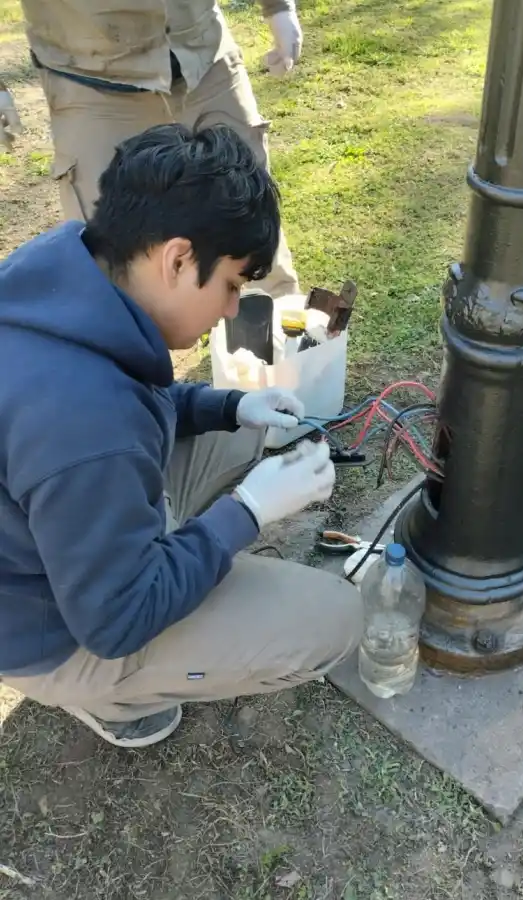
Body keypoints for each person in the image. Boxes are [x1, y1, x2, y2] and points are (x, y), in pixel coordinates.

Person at [0, 123, 364, 749]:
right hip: (59, 626)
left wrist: (233, 406)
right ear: (176, 258)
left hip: (56, 531)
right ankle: (107, 694)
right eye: (230, 285)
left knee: (248, 433)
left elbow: (137, 403)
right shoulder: (85, 421)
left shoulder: (69, 274)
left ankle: (150, 541)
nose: (231, 309)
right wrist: (247, 513)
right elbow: (116, 620)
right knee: (336, 618)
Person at [0, 0, 303, 298]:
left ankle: (278, 340)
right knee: (111, 262)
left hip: (202, 53)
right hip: (90, 77)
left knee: (253, 228)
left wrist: (278, 7)